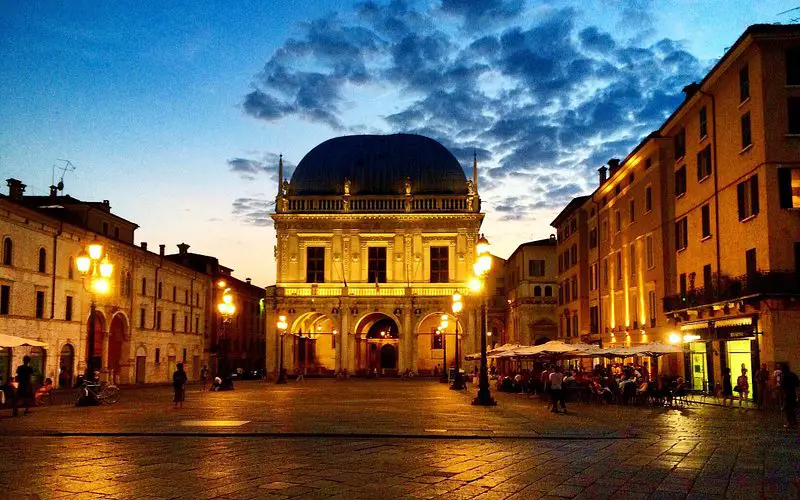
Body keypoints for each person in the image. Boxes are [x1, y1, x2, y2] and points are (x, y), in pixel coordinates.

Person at [779, 363, 798, 428]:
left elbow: (782, 385)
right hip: (793, 393)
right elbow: (797, 383)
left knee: (788, 409)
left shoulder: (784, 376)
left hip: (787, 394)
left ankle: (789, 423)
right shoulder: (793, 374)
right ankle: (795, 422)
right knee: (792, 409)